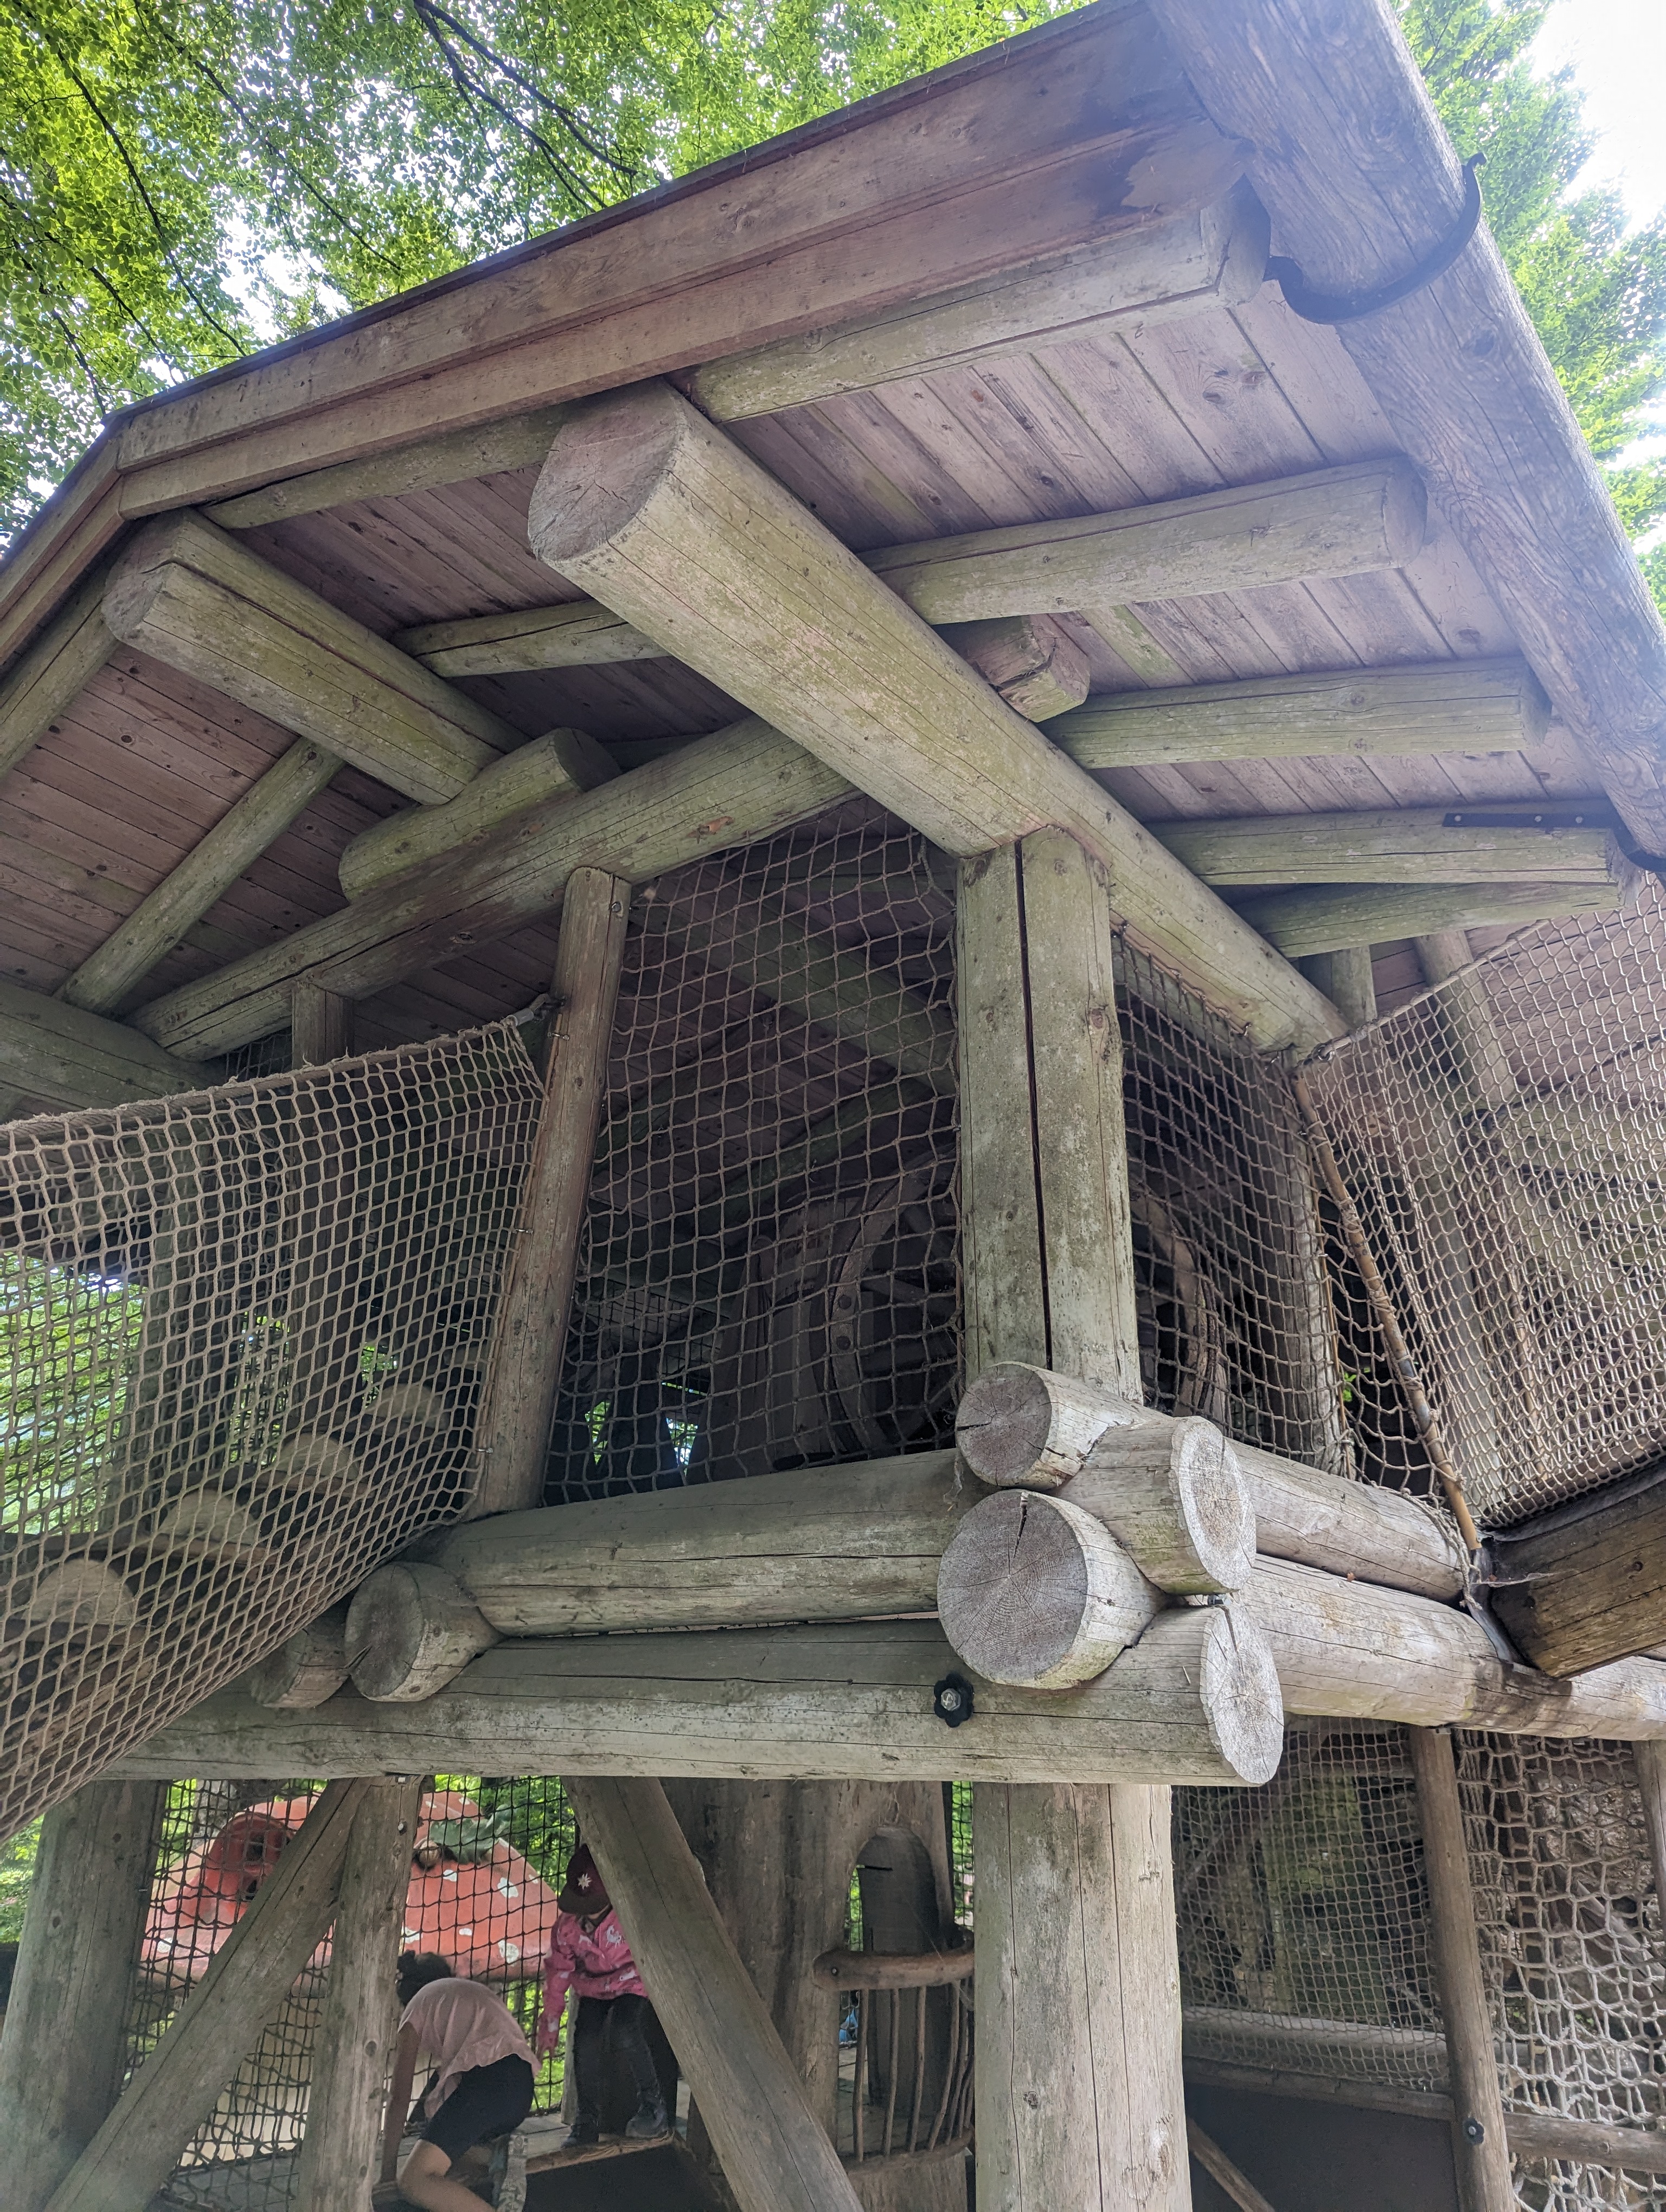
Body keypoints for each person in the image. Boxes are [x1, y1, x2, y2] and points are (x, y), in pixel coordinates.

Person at [381, 1952, 537, 2210]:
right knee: (441, 2149)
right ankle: (497, 2155)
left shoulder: (415, 2009)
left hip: (489, 2081)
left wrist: (386, 2173)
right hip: (520, 2089)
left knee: (413, 2181)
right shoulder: (471, 1991)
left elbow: (399, 2097)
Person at [537, 1843, 667, 2146]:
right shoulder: (567, 1927)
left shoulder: (629, 1915)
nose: (585, 1915)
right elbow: (559, 1972)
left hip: (631, 1980)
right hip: (592, 1986)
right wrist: (551, 2023)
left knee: (626, 2029)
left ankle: (653, 2106)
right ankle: (586, 2121)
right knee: (585, 2040)